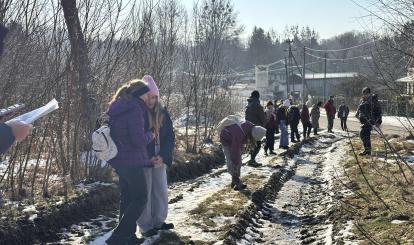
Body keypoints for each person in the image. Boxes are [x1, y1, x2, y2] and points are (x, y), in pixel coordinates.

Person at [106, 80, 154, 245]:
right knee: (140, 199)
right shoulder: (135, 109)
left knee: (127, 199)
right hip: (132, 161)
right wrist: (151, 135)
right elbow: (138, 141)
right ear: (140, 94)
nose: (149, 96)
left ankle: (128, 237)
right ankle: (118, 237)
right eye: (147, 93)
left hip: (119, 160)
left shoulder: (120, 106)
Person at [137, 75, 175, 238]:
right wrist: (148, 158)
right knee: (145, 192)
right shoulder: (138, 112)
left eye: (154, 97)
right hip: (145, 160)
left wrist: (164, 156)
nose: (152, 100)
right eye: (149, 96)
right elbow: (137, 139)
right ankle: (145, 226)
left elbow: (170, 137)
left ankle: (159, 221)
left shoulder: (163, 113)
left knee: (160, 190)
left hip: (160, 158)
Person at [219, 118, 266, 190]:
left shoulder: (250, 127)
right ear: (253, 134)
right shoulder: (239, 132)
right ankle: (237, 182)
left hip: (234, 138)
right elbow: (235, 150)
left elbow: (239, 141)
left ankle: (234, 181)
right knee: (231, 160)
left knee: (238, 161)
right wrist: (236, 161)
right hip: (226, 140)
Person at [355, 87, 382, 156]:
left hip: (371, 120)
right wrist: (357, 114)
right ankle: (367, 151)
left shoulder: (373, 100)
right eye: (364, 94)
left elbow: (379, 111)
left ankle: (367, 150)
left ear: (369, 93)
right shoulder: (362, 100)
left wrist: (379, 121)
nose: (365, 95)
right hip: (364, 120)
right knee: (365, 135)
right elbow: (359, 108)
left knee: (363, 134)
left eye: (366, 93)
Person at [244, 90, 265, 167]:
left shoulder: (248, 105)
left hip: (248, 127)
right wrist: (263, 127)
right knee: (258, 145)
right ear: (258, 96)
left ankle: (251, 159)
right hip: (256, 128)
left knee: (252, 144)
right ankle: (252, 160)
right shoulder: (258, 106)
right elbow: (263, 118)